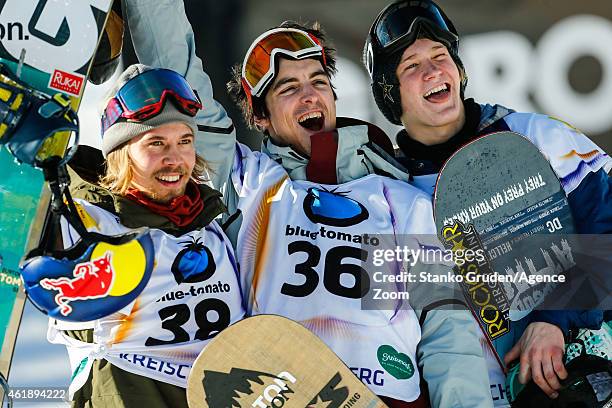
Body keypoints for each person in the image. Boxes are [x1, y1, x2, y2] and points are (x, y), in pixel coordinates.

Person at [123, 0, 493, 406]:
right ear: (261, 117)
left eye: (318, 82)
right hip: (285, 392)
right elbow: (177, 69)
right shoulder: (247, 183)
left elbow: (448, 330)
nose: (309, 96)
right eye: (288, 89)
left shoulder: (401, 198)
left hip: (387, 396)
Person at [363, 0, 609, 404]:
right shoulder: (391, 191)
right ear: (391, 96)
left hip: (577, 368)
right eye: (411, 66)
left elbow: (608, 228)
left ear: (458, 71)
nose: (432, 71)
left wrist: (554, 321)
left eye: (440, 56)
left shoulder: (534, 136)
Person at [47, 65, 246, 407]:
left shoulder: (211, 222)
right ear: (120, 154)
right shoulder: (87, 221)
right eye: (156, 143)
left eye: (185, 141)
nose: (175, 159)